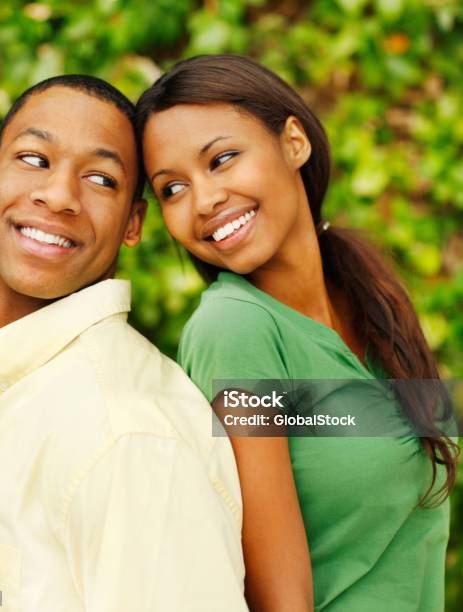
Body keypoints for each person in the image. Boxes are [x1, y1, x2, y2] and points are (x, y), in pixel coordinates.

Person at [136, 54, 459, 611]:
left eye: (223, 158)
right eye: (171, 189)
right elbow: (279, 602)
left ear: (294, 142)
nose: (205, 200)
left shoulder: (369, 290)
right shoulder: (235, 329)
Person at [0, 74, 249, 612]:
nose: (59, 196)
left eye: (101, 179)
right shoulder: (5, 375)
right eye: (35, 159)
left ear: (133, 223)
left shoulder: (129, 435)